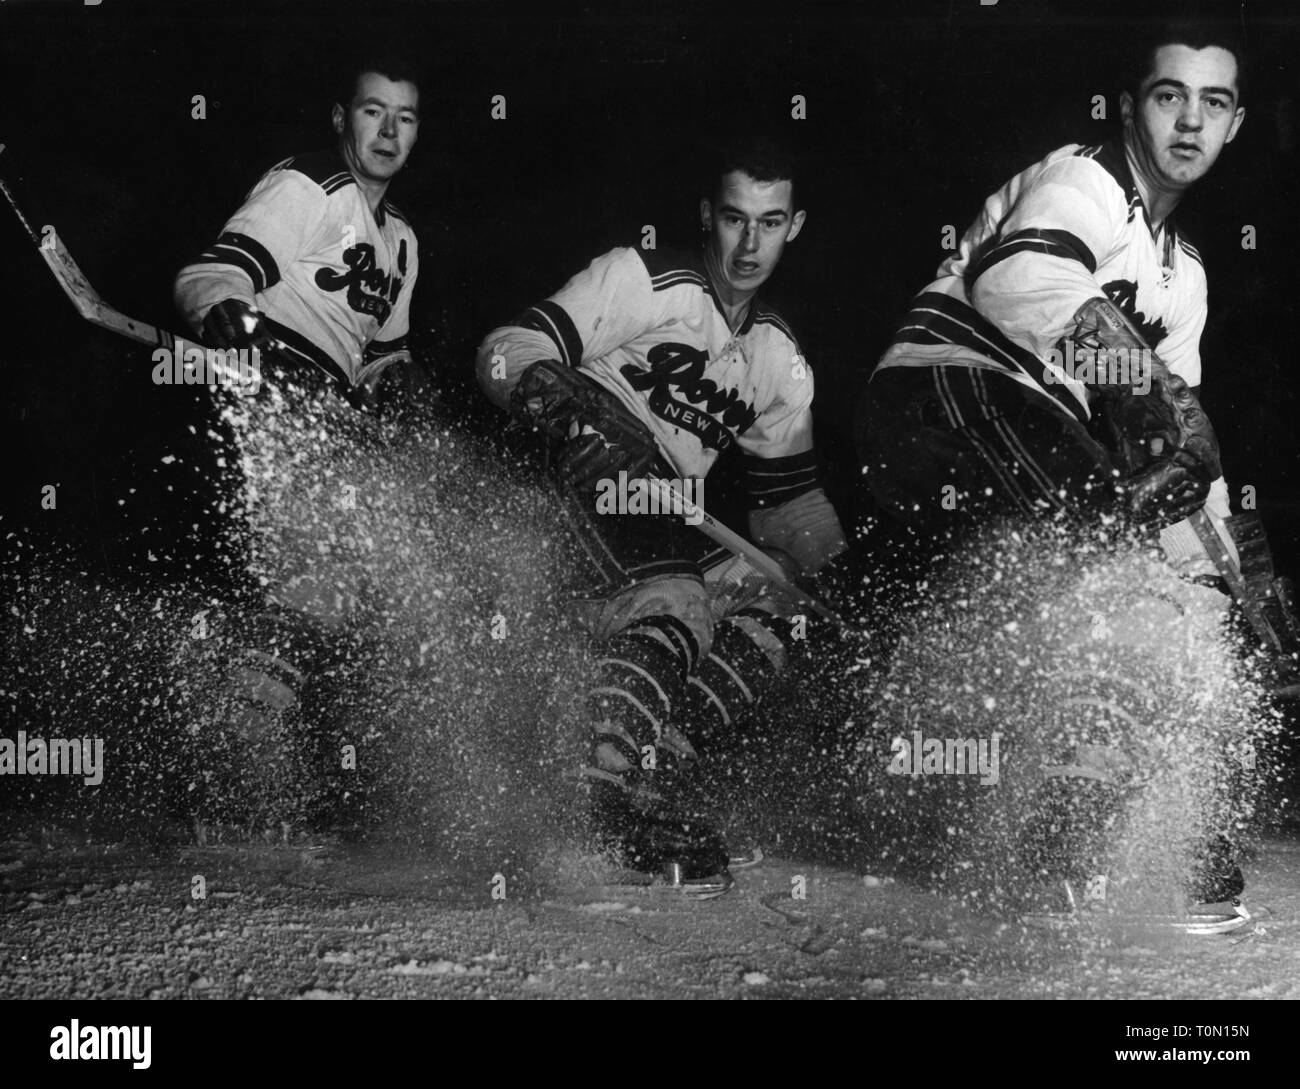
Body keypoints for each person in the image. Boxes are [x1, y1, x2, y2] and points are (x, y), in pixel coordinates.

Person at [858, 19, 1275, 906]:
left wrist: (1234, 568)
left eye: (1214, 103)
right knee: (1122, 585)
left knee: (1160, 597)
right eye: (1170, 97)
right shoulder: (1085, 178)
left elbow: (1177, 449)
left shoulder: (1186, 274)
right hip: (945, 398)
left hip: (1020, 441)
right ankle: (1060, 815)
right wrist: (1156, 401)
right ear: (1133, 108)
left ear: (1236, 124)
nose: (1190, 122)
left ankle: (1055, 802)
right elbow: (1014, 285)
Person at [475, 137, 849, 893]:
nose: (749, 244)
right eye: (736, 219)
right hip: (579, 475)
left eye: (770, 223)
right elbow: (500, 351)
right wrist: (563, 399)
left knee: (776, 610)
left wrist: (840, 582)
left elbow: (791, 512)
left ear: (794, 226)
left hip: (665, 508)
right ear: (708, 215)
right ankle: (595, 799)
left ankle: (645, 779)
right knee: (676, 601)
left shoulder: (778, 357)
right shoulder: (643, 277)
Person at [173, 54, 425, 829]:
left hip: (337, 419)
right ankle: (240, 778)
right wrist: (221, 307)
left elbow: (384, 356)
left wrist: (406, 394)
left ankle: (285, 767)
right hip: (274, 389)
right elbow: (214, 270)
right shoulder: (309, 186)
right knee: (307, 582)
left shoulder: (403, 243)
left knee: (360, 600)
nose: (387, 130)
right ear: (340, 118)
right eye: (372, 111)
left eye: (405, 116)